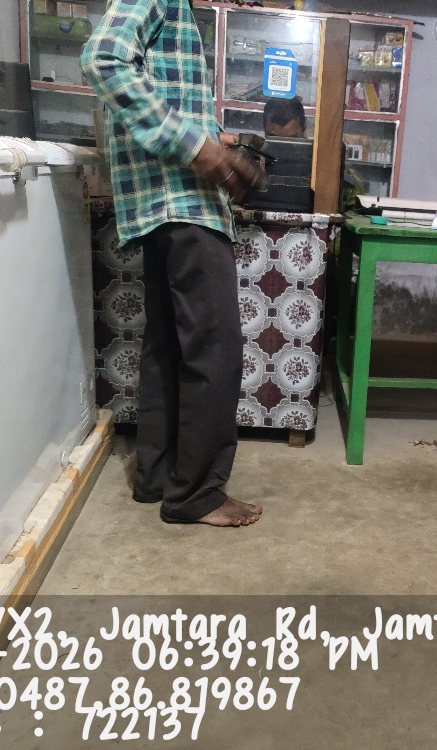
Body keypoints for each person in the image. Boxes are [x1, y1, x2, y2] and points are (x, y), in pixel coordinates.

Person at [81, 1, 264, 527]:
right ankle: (195, 495)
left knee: (167, 346)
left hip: (159, 204)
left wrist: (215, 139)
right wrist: (198, 148)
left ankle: (158, 478)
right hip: (184, 203)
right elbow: (104, 59)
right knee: (214, 348)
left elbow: (153, 84)